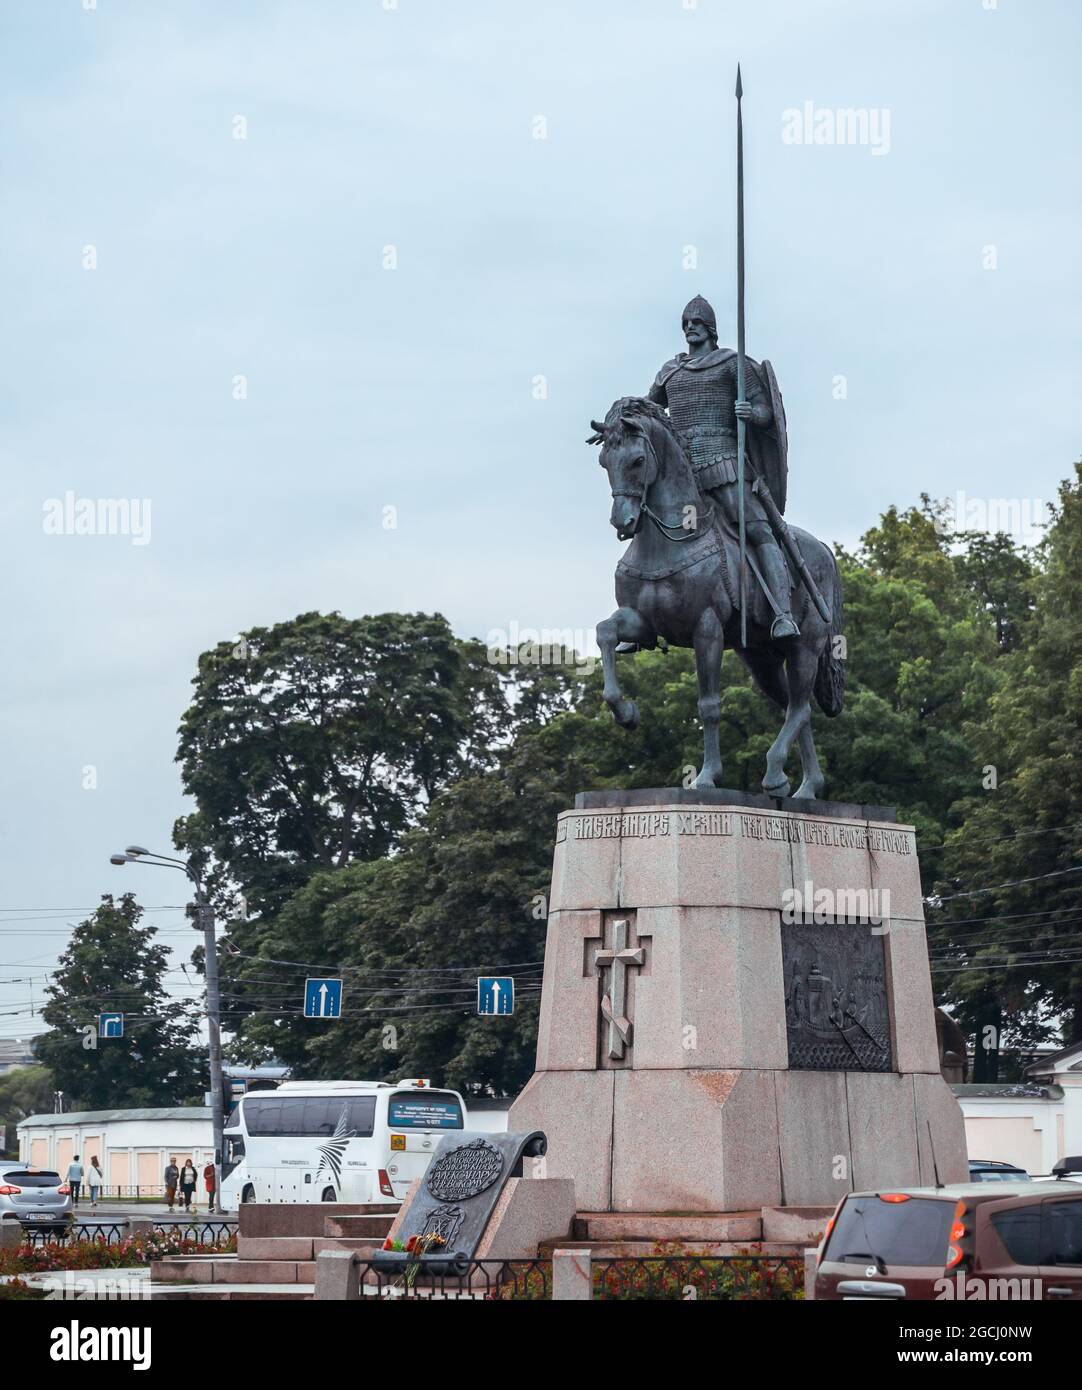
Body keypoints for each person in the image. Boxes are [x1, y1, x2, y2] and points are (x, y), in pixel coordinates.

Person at [644, 295, 799, 639]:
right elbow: (649, 410)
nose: (690, 328)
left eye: (696, 323)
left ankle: (783, 613)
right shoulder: (670, 372)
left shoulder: (733, 363)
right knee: (656, 535)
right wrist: (622, 418)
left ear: (710, 328)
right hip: (682, 473)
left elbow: (765, 411)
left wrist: (750, 412)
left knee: (758, 532)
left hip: (724, 463)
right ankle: (645, 615)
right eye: (686, 323)